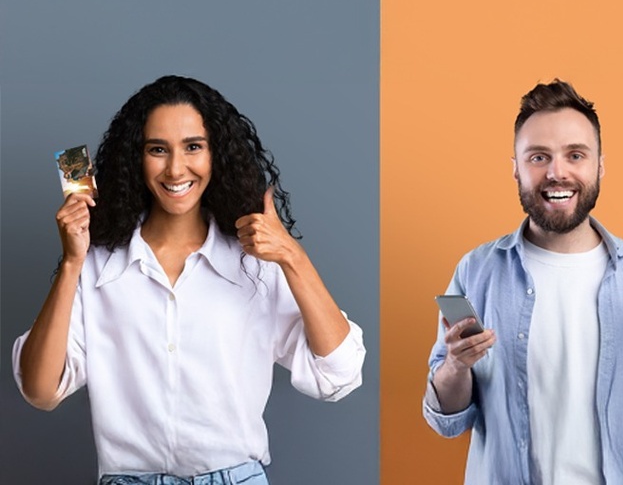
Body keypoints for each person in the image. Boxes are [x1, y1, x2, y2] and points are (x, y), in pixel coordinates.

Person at [13, 75, 366, 483]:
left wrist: (292, 256)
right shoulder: (96, 265)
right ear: (136, 159)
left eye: (193, 147)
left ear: (217, 155)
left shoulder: (256, 264)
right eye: (157, 150)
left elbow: (338, 375)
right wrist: (72, 262)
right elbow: (40, 391)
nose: (176, 168)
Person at [423, 79, 623, 484]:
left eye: (575, 155)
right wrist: (456, 367)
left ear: (599, 165)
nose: (556, 172)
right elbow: (448, 419)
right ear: (515, 167)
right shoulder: (477, 270)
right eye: (538, 157)